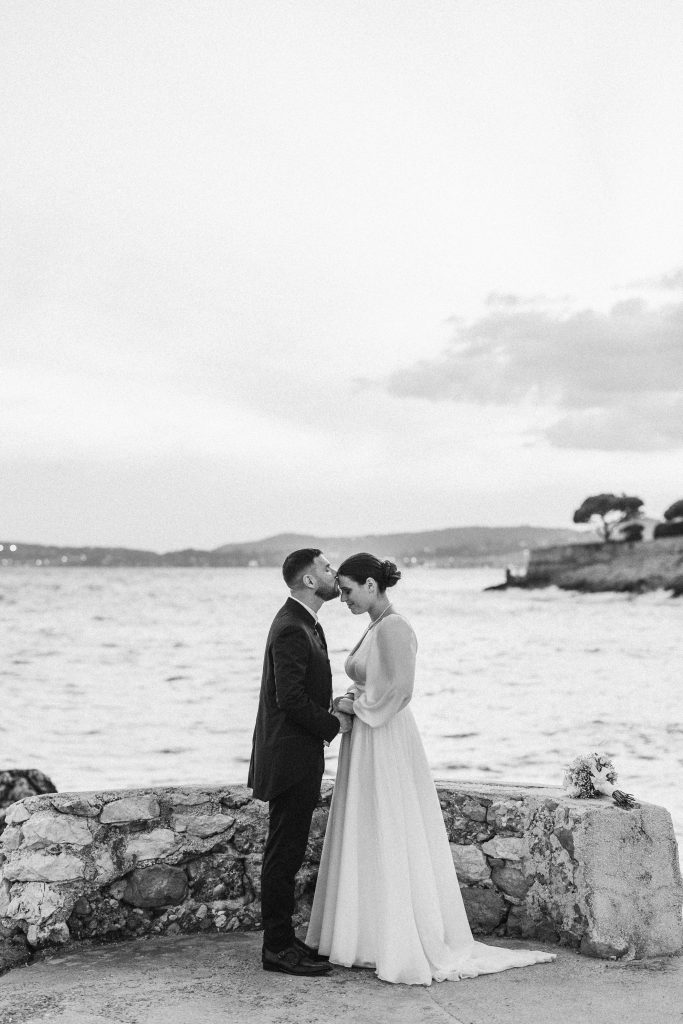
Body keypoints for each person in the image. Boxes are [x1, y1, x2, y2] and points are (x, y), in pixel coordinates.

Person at [306, 552, 556, 986]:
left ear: (370, 584)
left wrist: (354, 705)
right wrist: (353, 696)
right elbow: (378, 682)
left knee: (389, 824)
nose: (342, 598)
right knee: (368, 827)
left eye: (347, 590)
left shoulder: (396, 626)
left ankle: (395, 937)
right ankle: (365, 933)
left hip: (383, 736)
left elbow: (400, 691)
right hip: (367, 735)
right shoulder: (374, 625)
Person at [248, 548, 353, 976]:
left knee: (286, 852)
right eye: (327, 568)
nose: (334, 573)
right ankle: (276, 949)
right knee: (283, 854)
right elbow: (287, 698)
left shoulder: (304, 622)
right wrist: (333, 725)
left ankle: (285, 941)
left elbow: (299, 691)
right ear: (309, 581)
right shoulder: (293, 626)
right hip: (290, 757)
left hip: (297, 752)